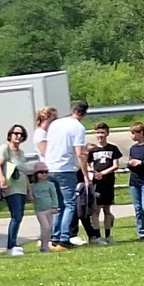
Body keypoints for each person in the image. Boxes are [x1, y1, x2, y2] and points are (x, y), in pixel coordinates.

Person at [45, 100, 89, 247]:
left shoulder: (56, 124)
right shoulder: (78, 127)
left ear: (72, 110)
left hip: (51, 167)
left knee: (59, 205)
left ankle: (55, 236)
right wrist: (86, 175)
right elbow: (79, 153)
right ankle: (64, 236)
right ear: (84, 113)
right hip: (65, 169)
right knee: (70, 204)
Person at [0, 125, 35, 256]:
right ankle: (11, 245)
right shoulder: (5, 149)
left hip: (22, 188)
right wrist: (2, 180)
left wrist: (30, 191)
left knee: (20, 215)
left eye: (21, 134)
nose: (18, 136)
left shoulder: (21, 153)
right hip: (12, 187)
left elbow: (24, 172)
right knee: (16, 215)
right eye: (16, 133)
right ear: (10, 134)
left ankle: (13, 243)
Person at [83, 124, 121, 245]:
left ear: (107, 134)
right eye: (98, 133)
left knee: (107, 209)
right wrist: (93, 173)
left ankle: (108, 235)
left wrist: (103, 173)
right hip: (96, 183)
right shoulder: (93, 151)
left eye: (102, 133)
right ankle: (98, 236)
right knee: (96, 210)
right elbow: (87, 164)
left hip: (108, 182)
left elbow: (115, 165)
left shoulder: (113, 149)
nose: (100, 135)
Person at [28, 165, 60, 251]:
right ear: (36, 174)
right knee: (45, 227)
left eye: (46, 172)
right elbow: (30, 197)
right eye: (41, 172)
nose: (44, 174)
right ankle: (44, 245)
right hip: (40, 210)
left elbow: (54, 196)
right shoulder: (32, 186)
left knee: (49, 228)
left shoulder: (50, 184)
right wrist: (30, 197)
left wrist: (55, 206)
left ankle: (45, 245)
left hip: (50, 209)